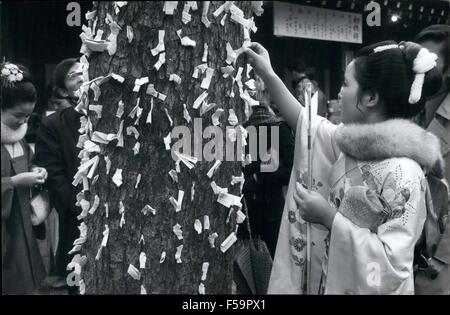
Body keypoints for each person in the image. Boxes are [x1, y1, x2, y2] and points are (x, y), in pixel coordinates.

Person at [244, 40, 445, 294]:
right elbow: (306, 123)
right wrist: (268, 73)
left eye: (346, 84)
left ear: (370, 97)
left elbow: (390, 266)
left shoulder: (404, 172)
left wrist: (328, 218)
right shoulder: (354, 145)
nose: (339, 94)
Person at [33, 58, 84, 292]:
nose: (83, 77)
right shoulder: (54, 124)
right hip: (77, 218)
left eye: (86, 71)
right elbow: (53, 175)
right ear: (64, 91)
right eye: (75, 75)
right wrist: (79, 207)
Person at [1, 62, 48, 294]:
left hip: (21, 223)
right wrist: (15, 183)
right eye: (18, 115)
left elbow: (27, 164)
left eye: (28, 116)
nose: (22, 122)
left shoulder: (19, 140)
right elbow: (17, 177)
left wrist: (37, 170)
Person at [240, 75, 295, 258]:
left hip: (267, 208)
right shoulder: (239, 128)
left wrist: (257, 178)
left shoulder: (279, 127)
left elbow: (290, 170)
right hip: (248, 209)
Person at [414, 24, 450, 295]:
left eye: (432, 61)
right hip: (404, 248)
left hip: (439, 257)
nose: (422, 67)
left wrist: (442, 258)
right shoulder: (408, 107)